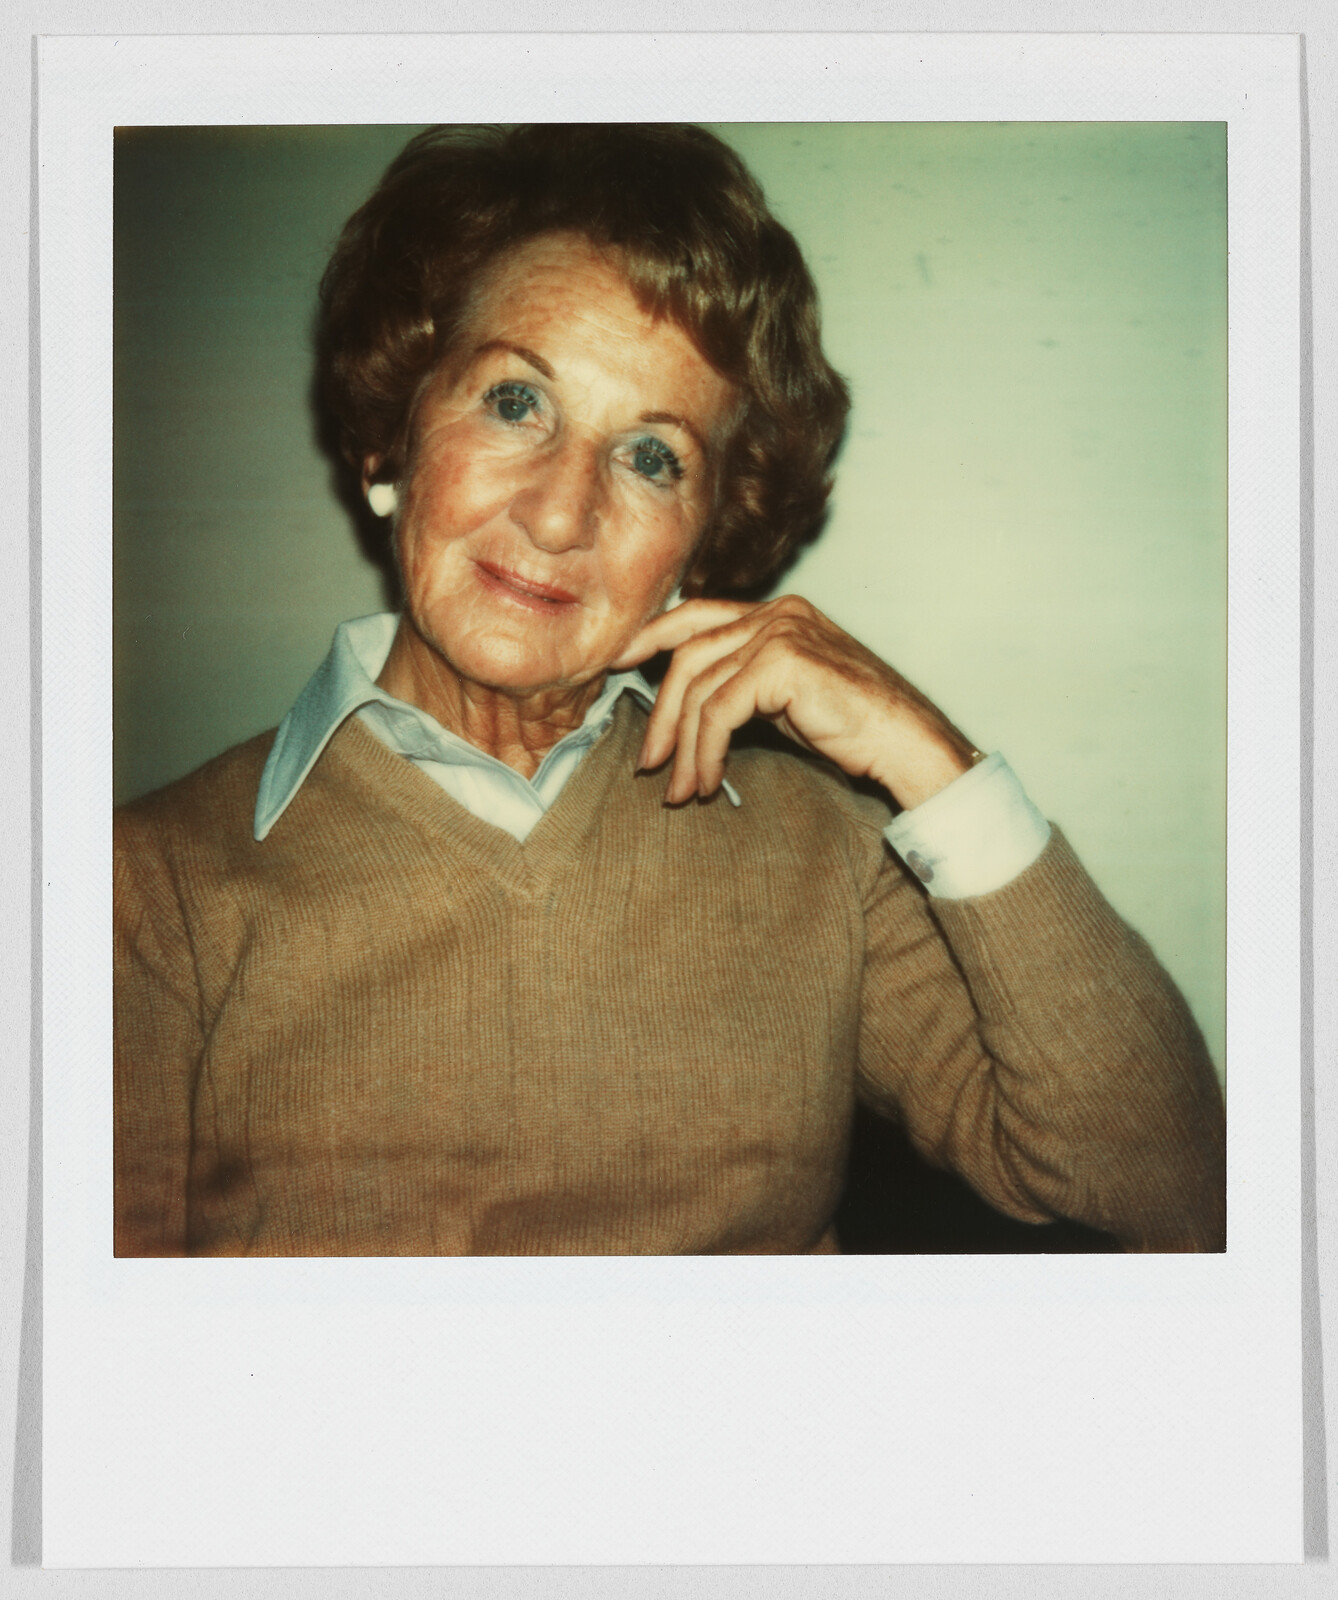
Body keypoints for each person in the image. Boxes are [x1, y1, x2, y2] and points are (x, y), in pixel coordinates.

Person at [113, 123, 1226, 1258]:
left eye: (652, 456)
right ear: (391, 442)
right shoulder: (146, 890)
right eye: (514, 402)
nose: (559, 513)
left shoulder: (824, 855)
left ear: (701, 545)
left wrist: (926, 756)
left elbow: (1162, 1191)